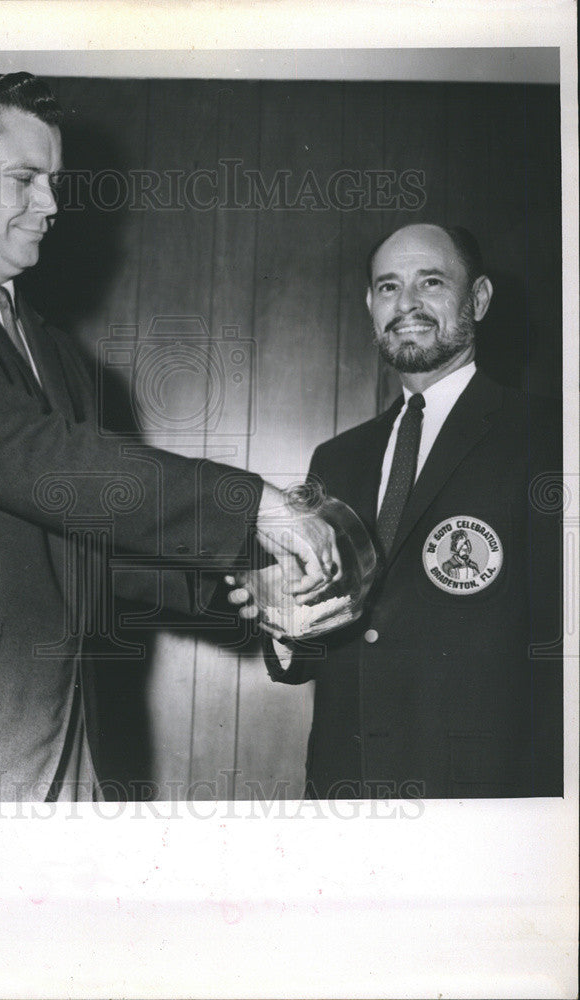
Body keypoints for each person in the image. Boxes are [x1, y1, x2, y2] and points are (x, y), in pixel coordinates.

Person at [0, 70, 338, 803]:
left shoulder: (50, 350)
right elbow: (42, 461)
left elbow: (82, 553)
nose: (52, 205)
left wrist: (243, 587)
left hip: (56, 741)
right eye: (24, 178)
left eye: (54, 182)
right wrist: (252, 503)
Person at [230, 222, 563, 799]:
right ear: (369, 305)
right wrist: (283, 620)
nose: (405, 303)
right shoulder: (337, 458)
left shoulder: (550, 437)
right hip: (345, 796)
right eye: (387, 287)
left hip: (482, 805)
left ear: (477, 299)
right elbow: (316, 643)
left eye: (430, 282)